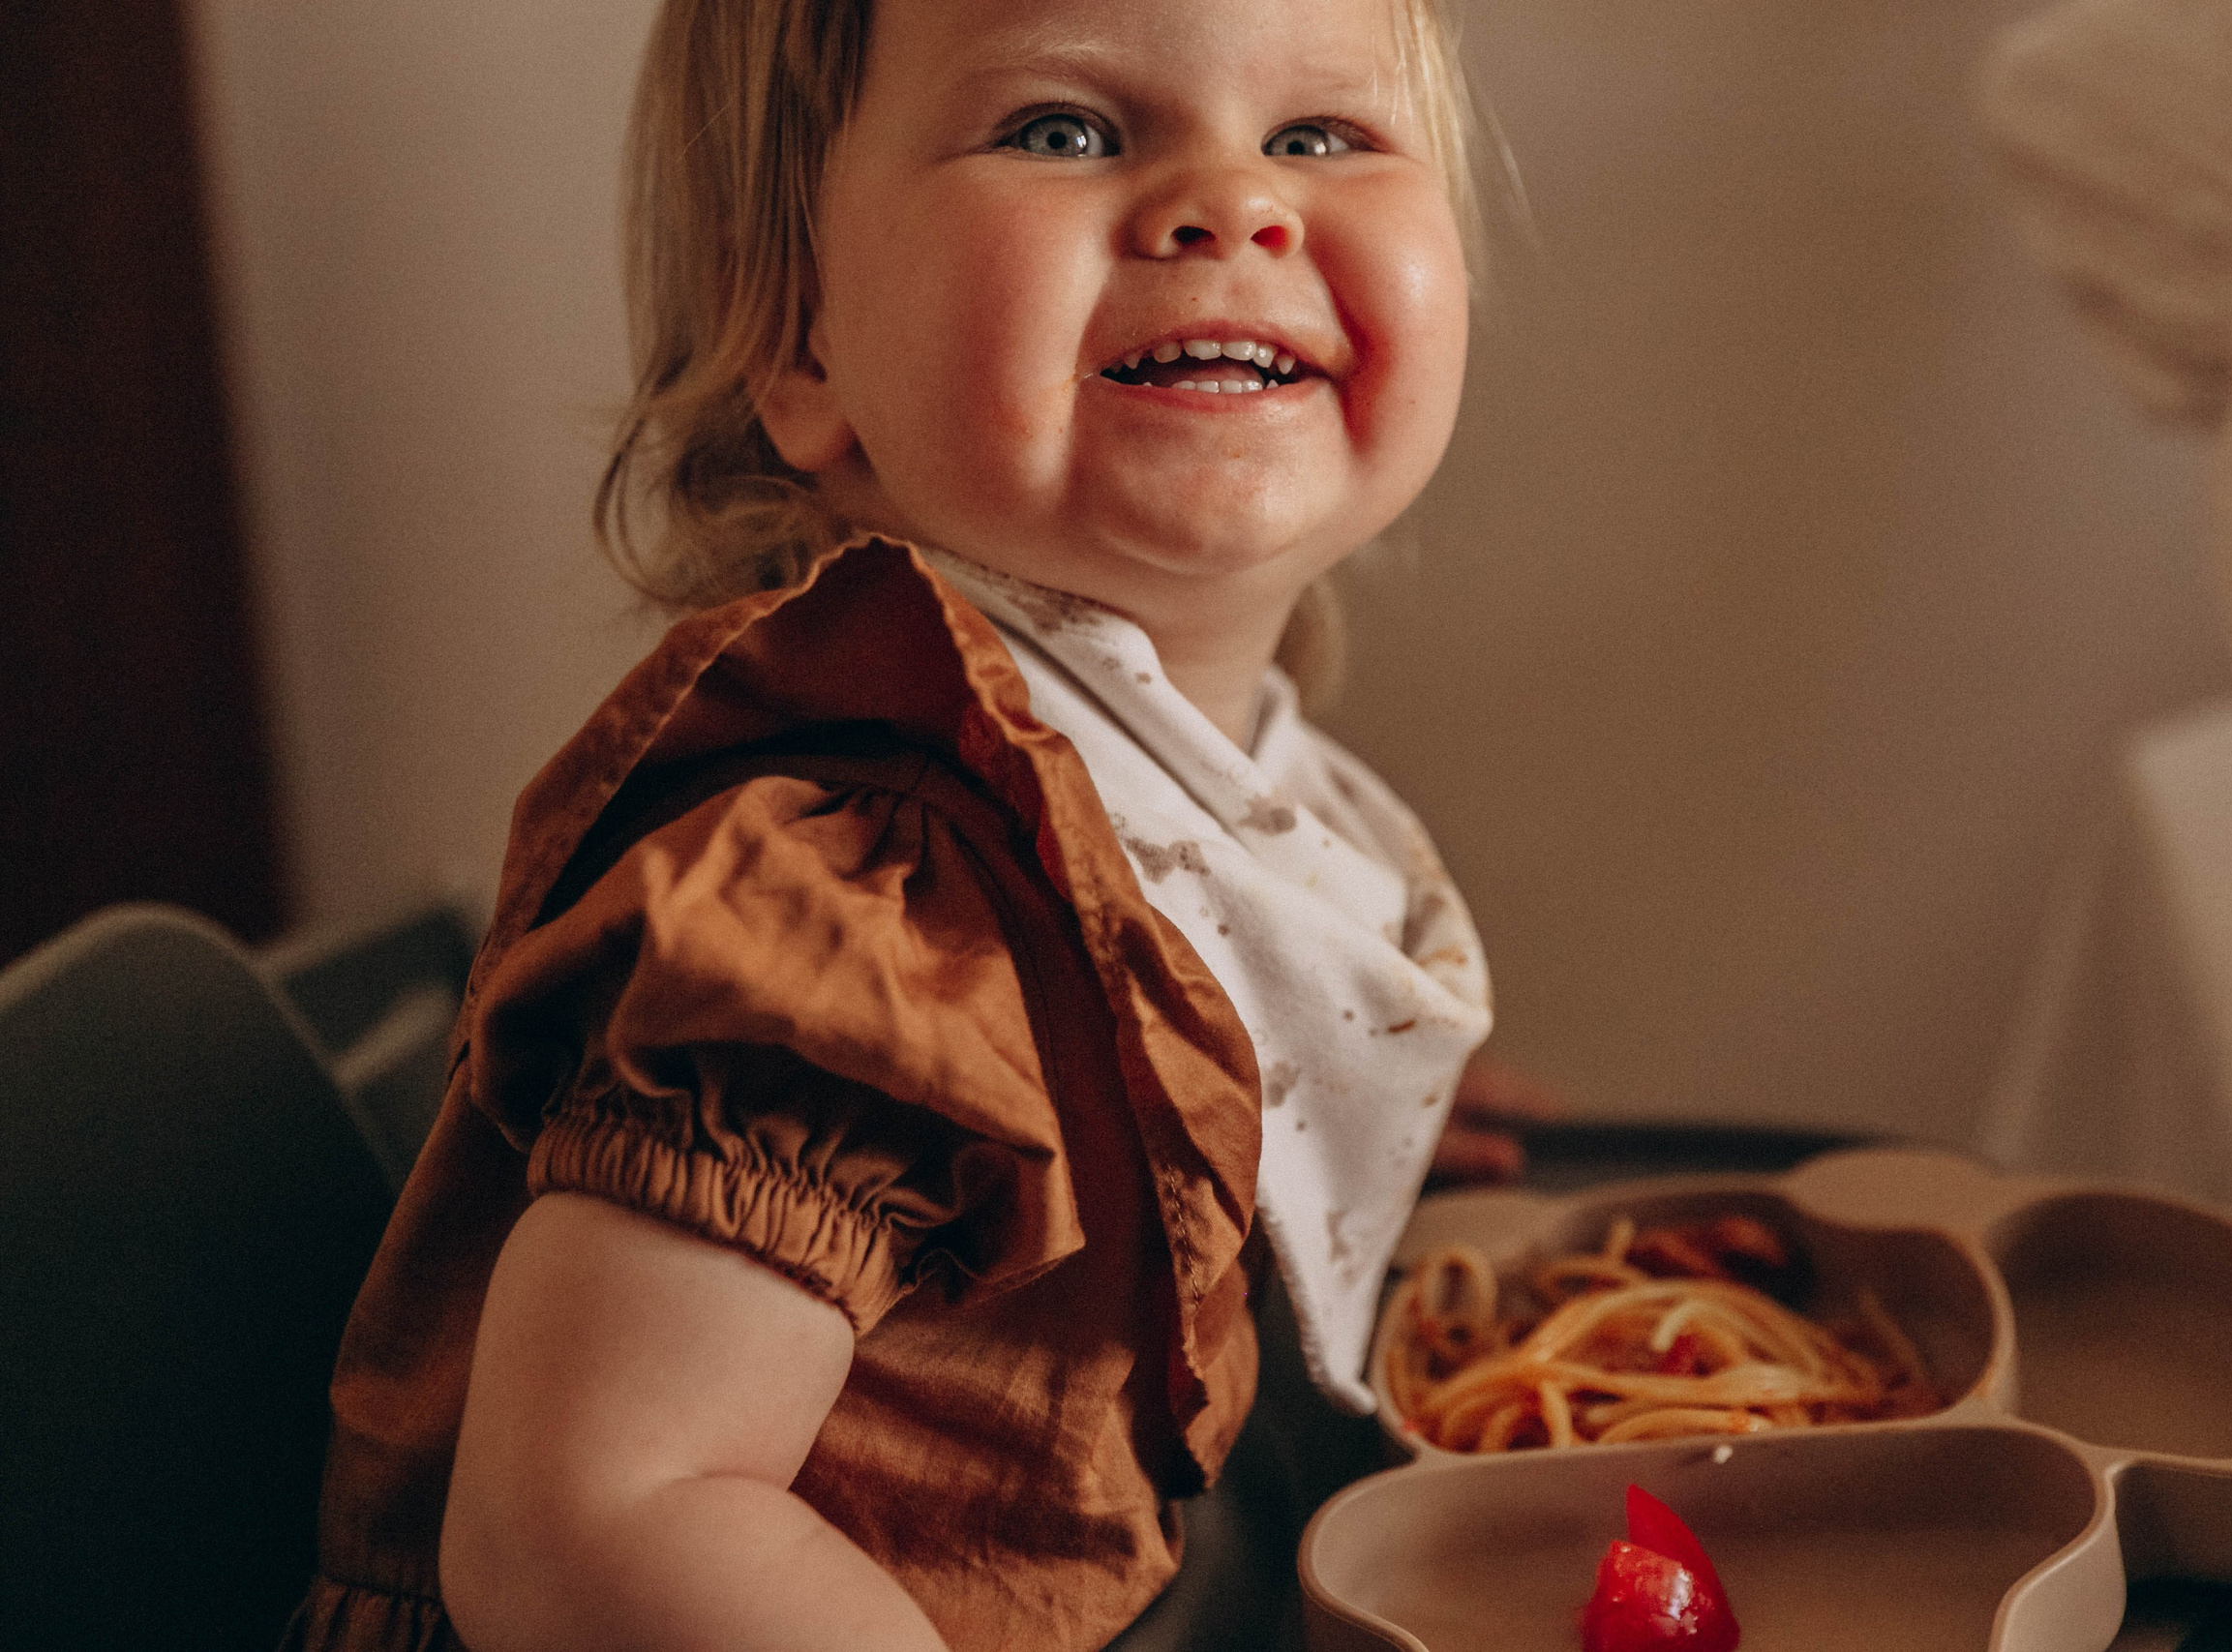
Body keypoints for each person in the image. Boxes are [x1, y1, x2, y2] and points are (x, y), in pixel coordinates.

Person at [285, 0, 1544, 1647]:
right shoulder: (864, 892)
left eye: (1319, 135)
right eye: (1066, 130)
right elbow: (584, 1535)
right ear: (803, 344)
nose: (1233, 200)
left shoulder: (1180, 786)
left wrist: (1271, 1133)